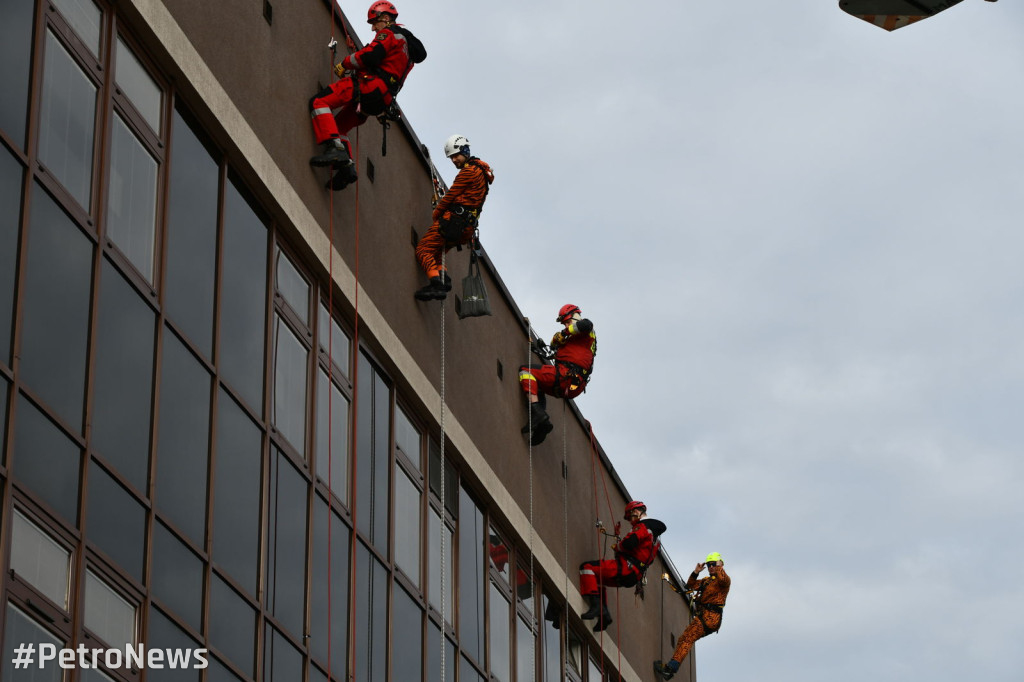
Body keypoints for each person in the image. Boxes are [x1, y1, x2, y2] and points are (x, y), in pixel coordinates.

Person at [308, 1, 424, 190]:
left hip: (368, 86)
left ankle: (335, 151)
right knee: (338, 129)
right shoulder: (407, 49)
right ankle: (347, 169)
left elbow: (371, 56)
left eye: (374, 22)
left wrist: (345, 63)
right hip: (380, 99)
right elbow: (382, 62)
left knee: (319, 102)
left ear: (385, 19)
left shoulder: (389, 33)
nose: (372, 28)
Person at [414, 134, 494, 300]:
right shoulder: (482, 174)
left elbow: (451, 195)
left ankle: (437, 285)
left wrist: (437, 212)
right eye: (451, 158)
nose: (454, 160)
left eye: (456, 156)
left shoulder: (469, 172)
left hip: (453, 222)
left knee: (423, 250)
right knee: (437, 251)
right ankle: (444, 278)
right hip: (466, 228)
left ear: (464, 151)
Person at [572, 501, 666, 632]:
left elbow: (629, 543)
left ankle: (597, 607)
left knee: (586, 567)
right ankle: (604, 615)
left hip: (626, 568)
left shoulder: (642, 526)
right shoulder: (655, 538)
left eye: (629, 517)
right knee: (596, 578)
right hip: (633, 575)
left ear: (636, 512)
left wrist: (619, 546)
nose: (630, 521)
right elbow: (645, 557)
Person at [518, 304, 596, 445]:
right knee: (537, 386)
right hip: (572, 384)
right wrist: (554, 345)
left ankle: (538, 414)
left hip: (567, 376)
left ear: (574, 316)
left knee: (526, 371)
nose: (566, 325)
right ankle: (541, 423)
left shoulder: (585, 330)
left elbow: (586, 324)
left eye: (567, 322)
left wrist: (564, 333)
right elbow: (559, 350)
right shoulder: (577, 342)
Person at [653, 553, 732, 680]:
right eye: (709, 565)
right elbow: (690, 585)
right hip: (704, 616)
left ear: (720, 565)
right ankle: (671, 667)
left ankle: (670, 670)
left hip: (711, 617)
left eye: (713, 564)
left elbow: (722, 579)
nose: (711, 567)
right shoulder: (707, 581)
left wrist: (719, 566)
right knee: (683, 639)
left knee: (687, 639)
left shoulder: (724, 581)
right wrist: (696, 572)